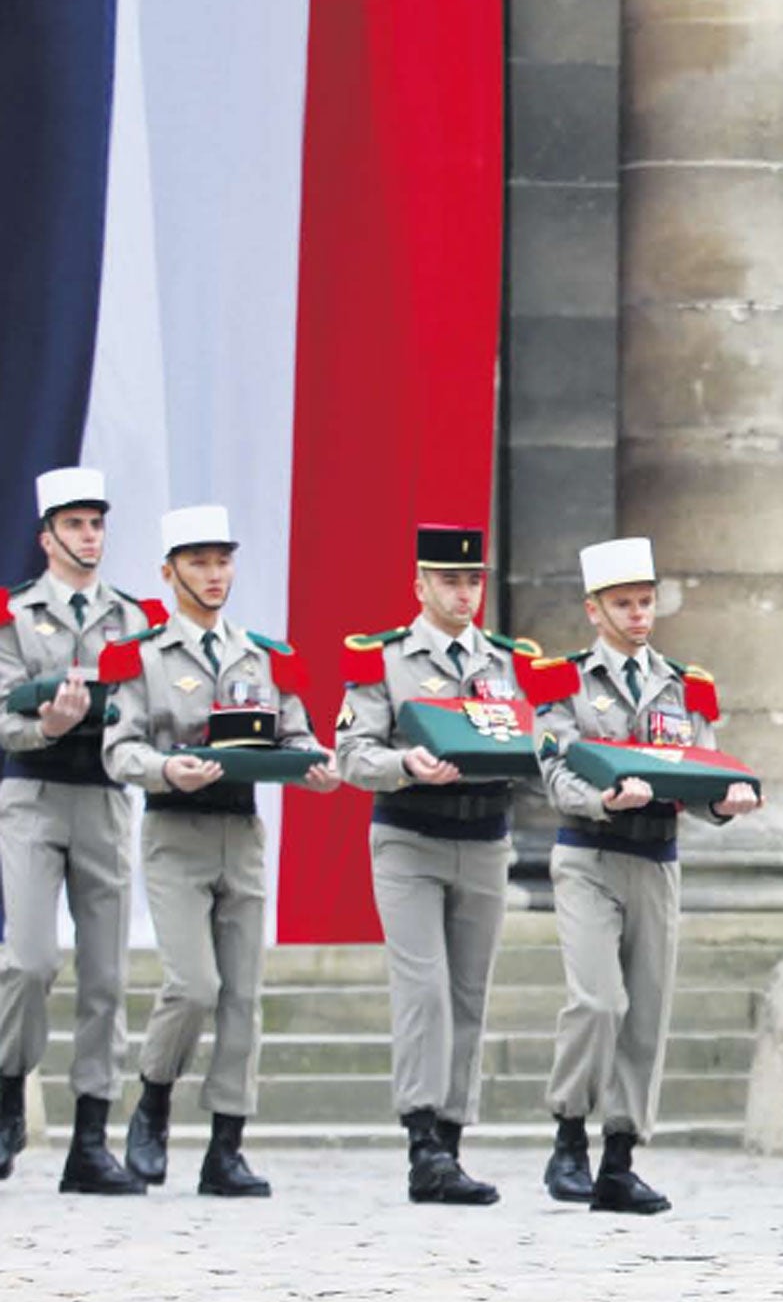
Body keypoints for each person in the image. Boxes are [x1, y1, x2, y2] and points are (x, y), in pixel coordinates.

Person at [101, 505, 340, 1196]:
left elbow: (295, 733)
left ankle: (226, 1146)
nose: (214, 575)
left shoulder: (262, 655)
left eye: (222, 561)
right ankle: (152, 1103)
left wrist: (314, 765)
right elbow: (120, 749)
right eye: (199, 563)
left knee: (242, 995)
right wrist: (164, 768)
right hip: (177, 829)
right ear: (168, 572)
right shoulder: (143, 656)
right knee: (194, 984)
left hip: (242, 830)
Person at [534, 537, 760, 1214]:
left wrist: (724, 800)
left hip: (656, 855)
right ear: (594, 610)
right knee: (598, 1000)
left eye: (644, 602)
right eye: (623, 604)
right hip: (589, 852)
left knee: (647, 1013)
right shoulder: (563, 680)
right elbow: (552, 769)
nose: (637, 615)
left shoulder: (685, 684)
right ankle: (569, 1135)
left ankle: (621, 1156)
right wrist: (598, 799)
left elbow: (701, 766)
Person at [334, 524, 542, 1207]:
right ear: (419, 586)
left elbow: (536, 748)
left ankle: (451, 1140)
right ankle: (421, 1139)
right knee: (422, 987)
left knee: (468, 994)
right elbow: (352, 755)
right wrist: (405, 764)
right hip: (410, 836)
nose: (464, 593)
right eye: (449, 581)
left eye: (472, 580)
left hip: (484, 836)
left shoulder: (508, 663)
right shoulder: (384, 659)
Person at [0, 467, 165, 1192]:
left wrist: (108, 723)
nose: (89, 537)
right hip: (34, 793)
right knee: (30, 960)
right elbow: (4, 713)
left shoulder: (133, 618)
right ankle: (8, 1094)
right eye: (74, 524)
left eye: (96, 523)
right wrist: (46, 724)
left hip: (103, 795)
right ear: (47, 536)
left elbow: (148, 704)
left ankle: (91, 1138)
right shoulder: (14, 614)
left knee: (106, 973)